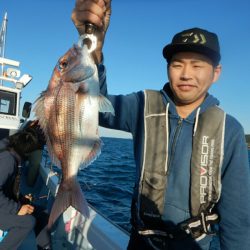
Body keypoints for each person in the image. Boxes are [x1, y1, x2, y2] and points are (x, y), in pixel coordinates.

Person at [72, 1, 250, 249]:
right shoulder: (142, 105)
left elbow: (237, 218)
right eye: (177, 64)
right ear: (167, 68)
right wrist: (92, 45)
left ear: (216, 72)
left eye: (197, 65)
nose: (186, 74)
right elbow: (94, 106)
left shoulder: (229, 130)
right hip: (141, 241)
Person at [0, 121, 49, 250]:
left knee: (41, 214)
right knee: (27, 222)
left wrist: (21, 199)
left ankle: (44, 247)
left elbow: (5, 188)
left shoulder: (10, 148)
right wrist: (16, 209)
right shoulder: (8, 160)